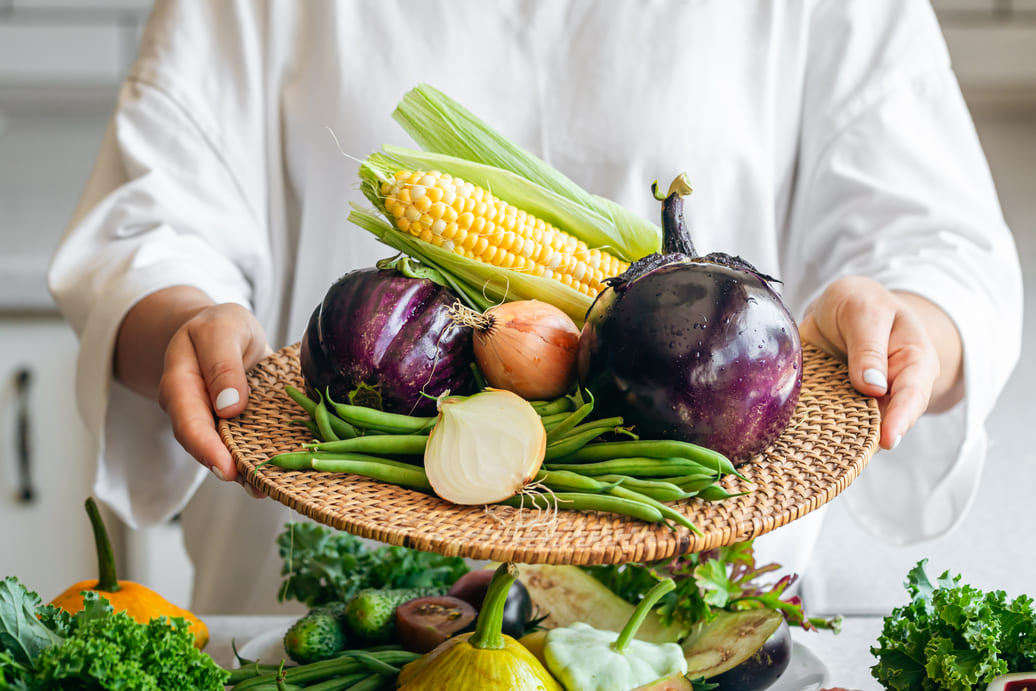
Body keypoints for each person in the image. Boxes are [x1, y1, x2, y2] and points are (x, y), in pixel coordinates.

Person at [48, 0, 1022, 615]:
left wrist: (905, 328)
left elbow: (934, 244)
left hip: (689, 628)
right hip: (335, 621)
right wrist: (178, 318)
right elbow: (156, 218)